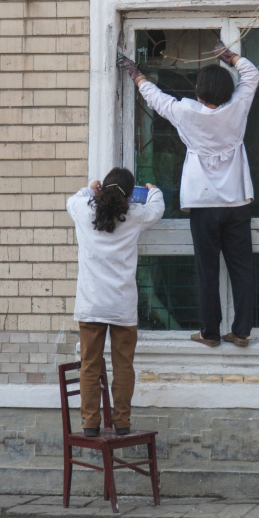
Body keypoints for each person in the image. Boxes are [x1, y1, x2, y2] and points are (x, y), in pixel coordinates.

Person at [119, 43, 259, 348]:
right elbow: (251, 75)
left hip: (203, 204)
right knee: (242, 268)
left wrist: (137, 74)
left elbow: (156, 99)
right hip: (236, 202)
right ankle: (242, 330)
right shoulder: (237, 107)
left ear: (199, 93)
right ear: (227, 91)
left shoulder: (186, 111)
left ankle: (209, 333)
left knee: (206, 271)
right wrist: (232, 57)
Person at [67, 167, 164, 436]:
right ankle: (122, 423)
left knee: (89, 365)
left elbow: (74, 198)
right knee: (123, 366)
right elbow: (157, 208)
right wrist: (153, 190)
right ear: (130, 194)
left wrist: (91, 188)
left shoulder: (83, 209)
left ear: (103, 190)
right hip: (122, 306)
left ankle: (90, 423)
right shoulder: (134, 215)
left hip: (91, 305)